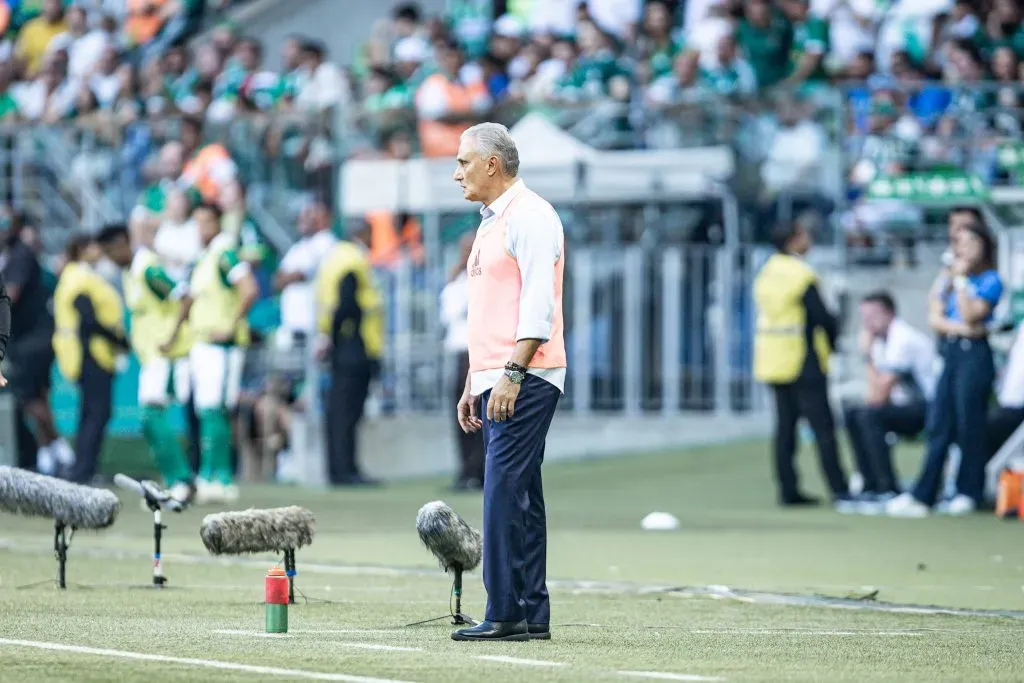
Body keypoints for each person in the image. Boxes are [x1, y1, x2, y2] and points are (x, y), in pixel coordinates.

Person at [451, 122, 566, 642]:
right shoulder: (493, 221)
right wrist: (474, 381)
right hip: (497, 375)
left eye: (464, 162)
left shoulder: (531, 216)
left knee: (500, 492)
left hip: (525, 374)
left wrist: (512, 375)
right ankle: (531, 611)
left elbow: (539, 305)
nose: (457, 174)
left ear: (492, 164)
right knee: (522, 495)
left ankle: (505, 612)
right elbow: (491, 311)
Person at [887, 220, 1003, 517]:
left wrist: (961, 281)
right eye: (959, 243)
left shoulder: (989, 280)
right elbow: (936, 318)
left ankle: (968, 491)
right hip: (951, 351)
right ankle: (924, 493)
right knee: (939, 423)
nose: (963, 249)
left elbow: (971, 313)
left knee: (969, 424)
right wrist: (964, 327)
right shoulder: (947, 276)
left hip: (974, 355)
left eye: (970, 243)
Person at [753, 221, 852, 510]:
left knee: (785, 428)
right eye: (805, 236)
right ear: (794, 240)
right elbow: (821, 316)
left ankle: (788, 489)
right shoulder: (800, 274)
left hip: (773, 358)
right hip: (803, 359)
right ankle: (839, 489)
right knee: (823, 428)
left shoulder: (766, 272)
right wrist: (834, 341)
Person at [96, 223, 194, 503]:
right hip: (150, 357)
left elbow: (185, 297)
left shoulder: (148, 269)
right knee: (150, 420)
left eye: (109, 252)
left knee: (152, 416)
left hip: (164, 355)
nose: (109, 259)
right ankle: (176, 479)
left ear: (122, 244)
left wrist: (171, 337)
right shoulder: (130, 272)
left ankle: (181, 480)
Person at [168, 203, 258, 504]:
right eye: (197, 222)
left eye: (207, 221)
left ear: (219, 222)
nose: (201, 228)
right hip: (201, 343)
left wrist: (231, 325)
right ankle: (210, 475)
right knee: (207, 410)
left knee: (216, 410)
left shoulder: (225, 253)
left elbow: (249, 288)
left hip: (221, 346)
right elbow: (190, 300)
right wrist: (174, 335)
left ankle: (219, 477)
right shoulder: (202, 258)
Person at [842, 291, 937, 511]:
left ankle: (887, 487)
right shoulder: (879, 341)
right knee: (854, 413)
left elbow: (880, 394)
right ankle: (870, 484)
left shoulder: (903, 339)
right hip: (904, 407)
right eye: (864, 317)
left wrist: (866, 356)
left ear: (889, 313)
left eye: (873, 316)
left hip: (931, 408)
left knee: (870, 415)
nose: (868, 323)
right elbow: (873, 395)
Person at [52, 234, 128, 485]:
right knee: (97, 413)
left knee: (91, 413)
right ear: (83, 249)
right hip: (91, 354)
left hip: (90, 354)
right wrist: (118, 340)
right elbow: (88, 319)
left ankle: (84, 469)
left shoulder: (78, 275)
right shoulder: (80, 277)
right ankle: (83, 471)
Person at [0, 212, 71, 474]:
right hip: (29, 339)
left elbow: (11, 296)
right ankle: (51, 453)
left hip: (33, 340)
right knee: (35, 398)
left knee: (29, 398)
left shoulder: (20, 254)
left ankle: (59, 449)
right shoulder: (13, 255)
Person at [314, 220, 384, 487]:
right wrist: (336, 338)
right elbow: (347, 304)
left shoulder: (333, 258)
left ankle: (339, 469)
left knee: (338, 411)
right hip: (354, 345)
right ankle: (346, 470)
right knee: (348, 412)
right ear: (361, 234)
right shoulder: (353, 260)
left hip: (340, 344)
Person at [441, 232, 484, 491]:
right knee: (461, 413)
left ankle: (478, 470)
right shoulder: (456, 279)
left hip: (476, 351)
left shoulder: (483, 276)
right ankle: (465, 470)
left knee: (477, 414)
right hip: (459, 350)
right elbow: (448, 314)